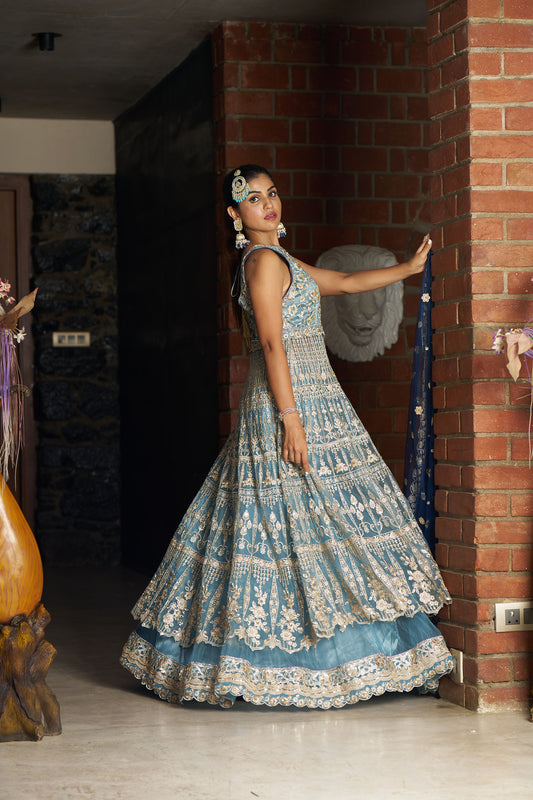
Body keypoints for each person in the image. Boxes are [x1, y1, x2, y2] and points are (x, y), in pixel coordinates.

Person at [121, 164, 453, 708]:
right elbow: (273, 344)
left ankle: (341, 656)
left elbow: (343, 282)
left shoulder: (276, 258)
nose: (268, 205)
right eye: (253, 199)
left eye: (271, 193)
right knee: (282, 521)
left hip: (311, 399)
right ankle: (291, 664)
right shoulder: (263, 263)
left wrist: (408, 268)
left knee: (307, 518)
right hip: (289, 405)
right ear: (236, 215)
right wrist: (291, 419)